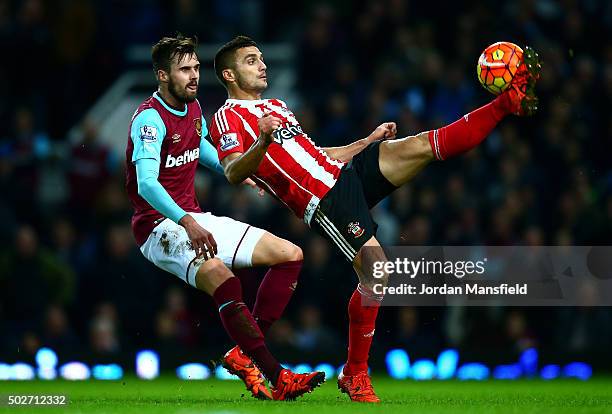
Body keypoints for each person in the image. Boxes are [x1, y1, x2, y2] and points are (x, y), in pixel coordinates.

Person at [210, 35, 541, 403]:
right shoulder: (227, 116)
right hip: (323, 201)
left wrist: (367, 141)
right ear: (229, 73)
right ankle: (354, 373)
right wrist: (262, 142)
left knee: (422, 145)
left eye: (261, 58)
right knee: (377, 271)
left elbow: (315, 154)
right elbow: (232, 171)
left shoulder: (277, 106)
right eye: (252, 60)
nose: (262, 65)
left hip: (344, 174)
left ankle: (503, 104)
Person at [124, 34, 324, 401]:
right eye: (184, 69)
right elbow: (147, 184)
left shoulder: (195, 108)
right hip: (158, 228)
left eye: (196, 67)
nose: (194, 75)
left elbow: (197, 148)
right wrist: (187, 221)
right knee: (223, 279)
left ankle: (245, 354)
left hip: (194, 216)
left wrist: (239, 173)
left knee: (289, 255)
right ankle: (277, 376)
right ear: (162, 76)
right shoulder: (149, 120)